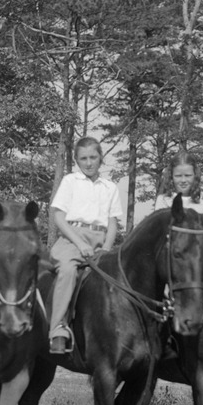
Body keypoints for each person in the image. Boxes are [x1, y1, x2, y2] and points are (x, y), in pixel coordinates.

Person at [48, 136, 123, 354]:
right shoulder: (71, 181)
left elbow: (112, 222)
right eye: (83, 159)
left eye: (93, 157)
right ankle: (58, 329)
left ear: (101, 158)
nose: (88, 163)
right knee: (68, 270)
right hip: (73, 237)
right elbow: (59, 218)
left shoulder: (110, 187)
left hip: (101, 240)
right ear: (77, 160)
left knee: (117, 276)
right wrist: (80, 243)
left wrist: (107, 249)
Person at [154, 150, 203, 247]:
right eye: (178, 176)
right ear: (171, 177)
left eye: (188, 176)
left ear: (195, 176)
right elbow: (159, 236)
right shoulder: (164, 200)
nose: (183, 180)